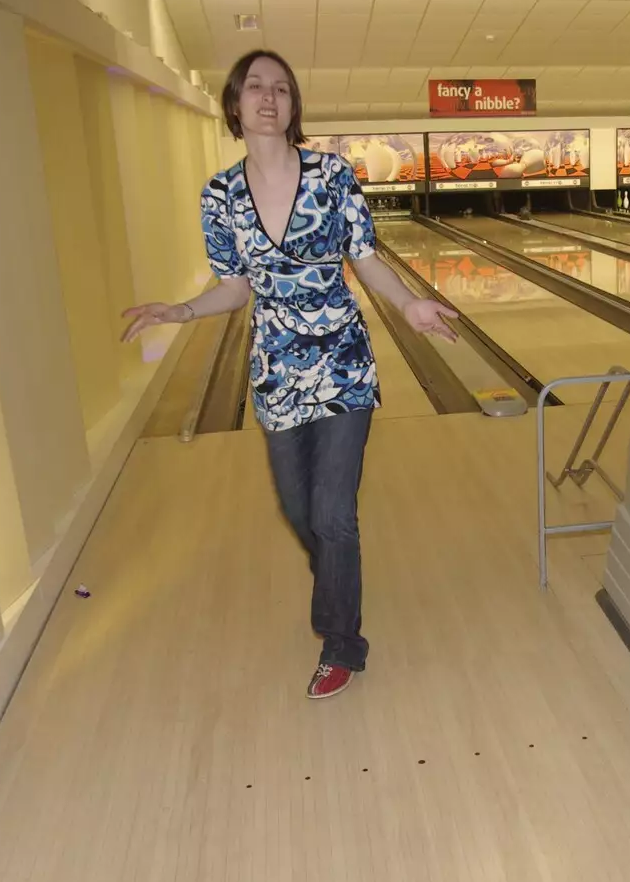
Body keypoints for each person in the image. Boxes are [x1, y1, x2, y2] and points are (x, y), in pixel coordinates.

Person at [122, 50, 457, 700]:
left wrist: (409, 303)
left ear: (293, 104)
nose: (269, 98)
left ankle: (342, 644)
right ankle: (337, 576)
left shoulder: (332, 175)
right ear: (236, 104)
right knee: (300, 510)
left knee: (334, 514)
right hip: (274, 369)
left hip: (342, 361)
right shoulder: (219, 196)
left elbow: (365, 256)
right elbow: (234, 288)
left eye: (281, 88)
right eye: (256, 87)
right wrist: (181, 309)